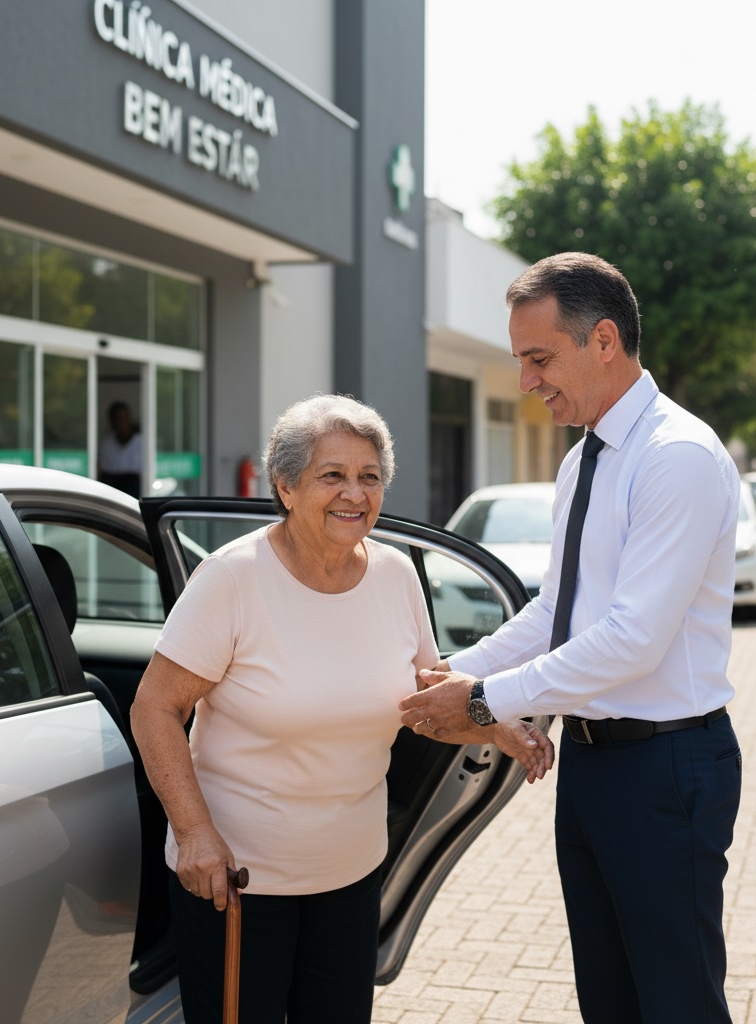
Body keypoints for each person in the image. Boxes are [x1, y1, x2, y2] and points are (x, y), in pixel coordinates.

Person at [130, 393, 553, 1024]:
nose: (354, 494)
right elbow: (154, 710)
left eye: (369, 477)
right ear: (286, 486)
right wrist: (193, 834)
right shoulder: (232, 578)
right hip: (240, 884)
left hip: (352, 877)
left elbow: (422, 701)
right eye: (333, 476)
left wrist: (501, 725)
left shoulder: (396, 575)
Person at [400, 253, 742, 1023]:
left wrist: (482, 701)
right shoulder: (583, 459)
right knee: (610, 1003)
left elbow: (632, 640)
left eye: (539, 358)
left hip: (666, 769)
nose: (526, 381)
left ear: (606, 341)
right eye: (521, 361)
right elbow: (558, 608)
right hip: (592, 768)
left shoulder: (674, 457)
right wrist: (452, 671)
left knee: (677, 1004)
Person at [98, 400, 142, 496]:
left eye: (125, 418)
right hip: (111, 486)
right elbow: (101, 469)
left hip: (134, 486)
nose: (122, 423)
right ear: (112, 422)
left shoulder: (141, 442)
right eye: (118, 419)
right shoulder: (107, 442)